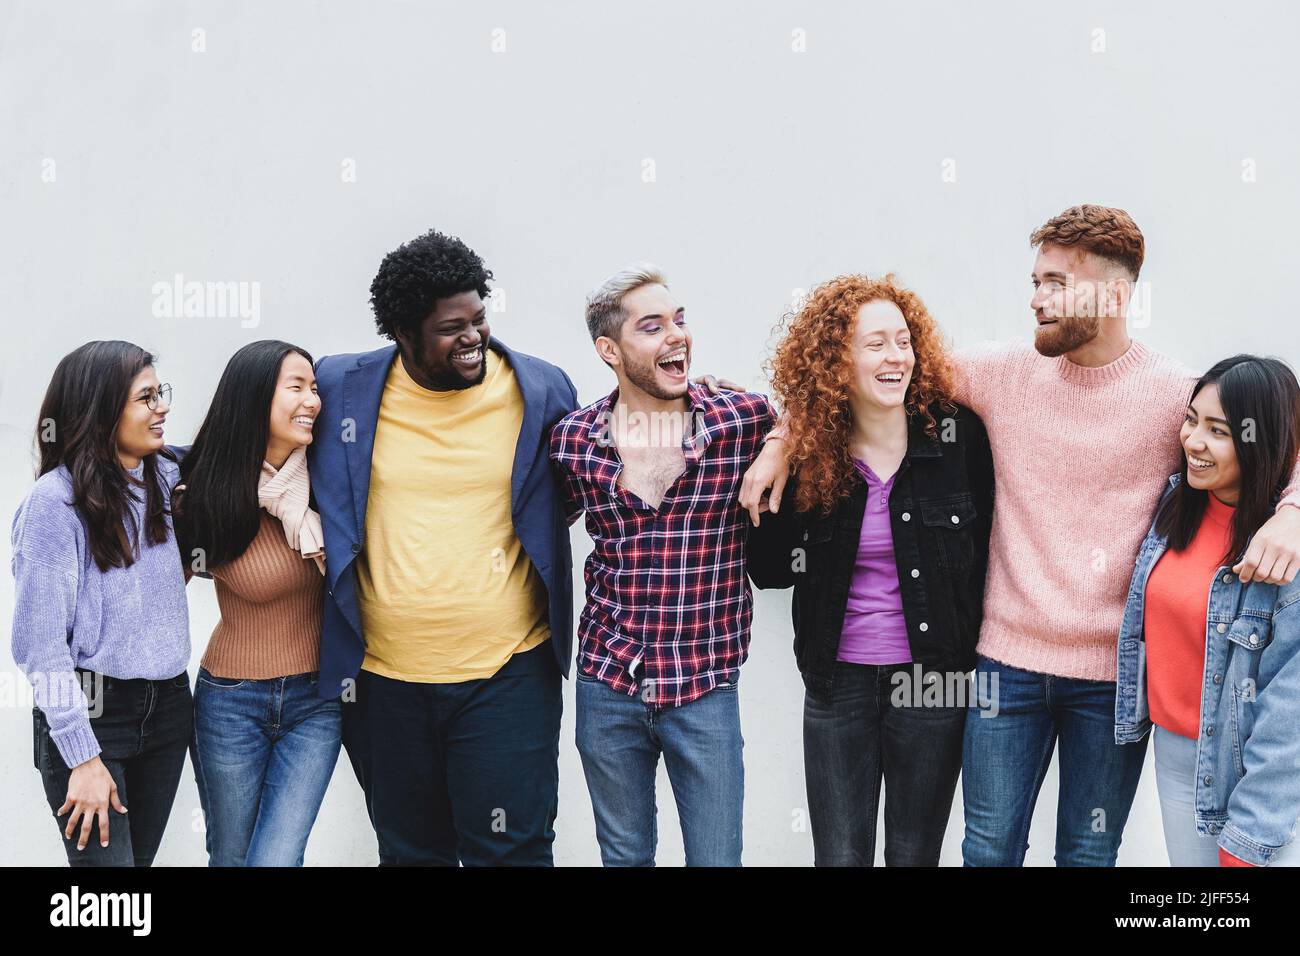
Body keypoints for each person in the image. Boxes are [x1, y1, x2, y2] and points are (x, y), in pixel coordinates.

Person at [741, 205, 1300, 865]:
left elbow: (1273, 443)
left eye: (1056, 283)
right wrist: (781, 442)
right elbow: (858, 382)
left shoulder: (1173, 396)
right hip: (1003, 667)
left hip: (1112, 680)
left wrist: (1292, 511)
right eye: (1034, 280)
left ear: (1117, 295)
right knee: (987, 851)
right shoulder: (1000, 374)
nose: (1035, 300)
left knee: (1088, 856)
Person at [309, 229, 576, 865]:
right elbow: (250, 449)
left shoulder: (541, 390)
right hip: (382, 684)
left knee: (512, 850)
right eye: (451, 328)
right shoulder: (340, 387)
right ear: (403, 332)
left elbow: (585, 481)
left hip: (508, 675)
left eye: (479, 319)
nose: (473, 338)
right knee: (411, 853)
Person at [746, 274, 993, 866]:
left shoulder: (957, 438)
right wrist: (780, 451)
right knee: (840, 856)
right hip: (838, 685)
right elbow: (773, 570)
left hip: (934, 683)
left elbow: (987, 558)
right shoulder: (808, 452)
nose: (895, 357)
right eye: (874, 343)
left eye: (903, 341)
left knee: (914, 855)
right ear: (835, 361)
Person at [549, 263, 775, 866]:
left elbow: (817, 407)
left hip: (704, 682)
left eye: (679, 320)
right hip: (608, 679)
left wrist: (782, 444)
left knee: (717, 858)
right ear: (610, 350)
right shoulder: (573, 440)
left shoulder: (741, 419)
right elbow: (531, 523)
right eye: (652, 327)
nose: (676, 335)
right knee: (624, 857)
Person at [12, 340, 191, 866]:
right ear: (100, 410)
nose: (162, 408)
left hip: (168, 709)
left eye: (161, 393)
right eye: (145, 398)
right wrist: (81, 757)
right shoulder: (53, 505)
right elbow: (40, 648)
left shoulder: (164, 476)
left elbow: (240, 456)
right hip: (92, 714)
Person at [1116, 355, 1300, 867]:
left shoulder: (1284, 549)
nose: (1193, 441)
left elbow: (1292, 710)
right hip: (1174, 754)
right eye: (1191, 420)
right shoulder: (1176, 505)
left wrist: (1253, 830)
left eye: (1218, 431)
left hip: (1250, 768)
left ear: (1259, 439)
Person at [172, 340, 340, 866]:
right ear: (252, 399)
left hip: (318, 701)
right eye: (296, 387)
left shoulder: (329, 486)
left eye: (315, 388)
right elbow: (156, 595)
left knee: (275, 858)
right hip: (230, 702)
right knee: (230, 855)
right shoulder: (202, 494)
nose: (312, 400)